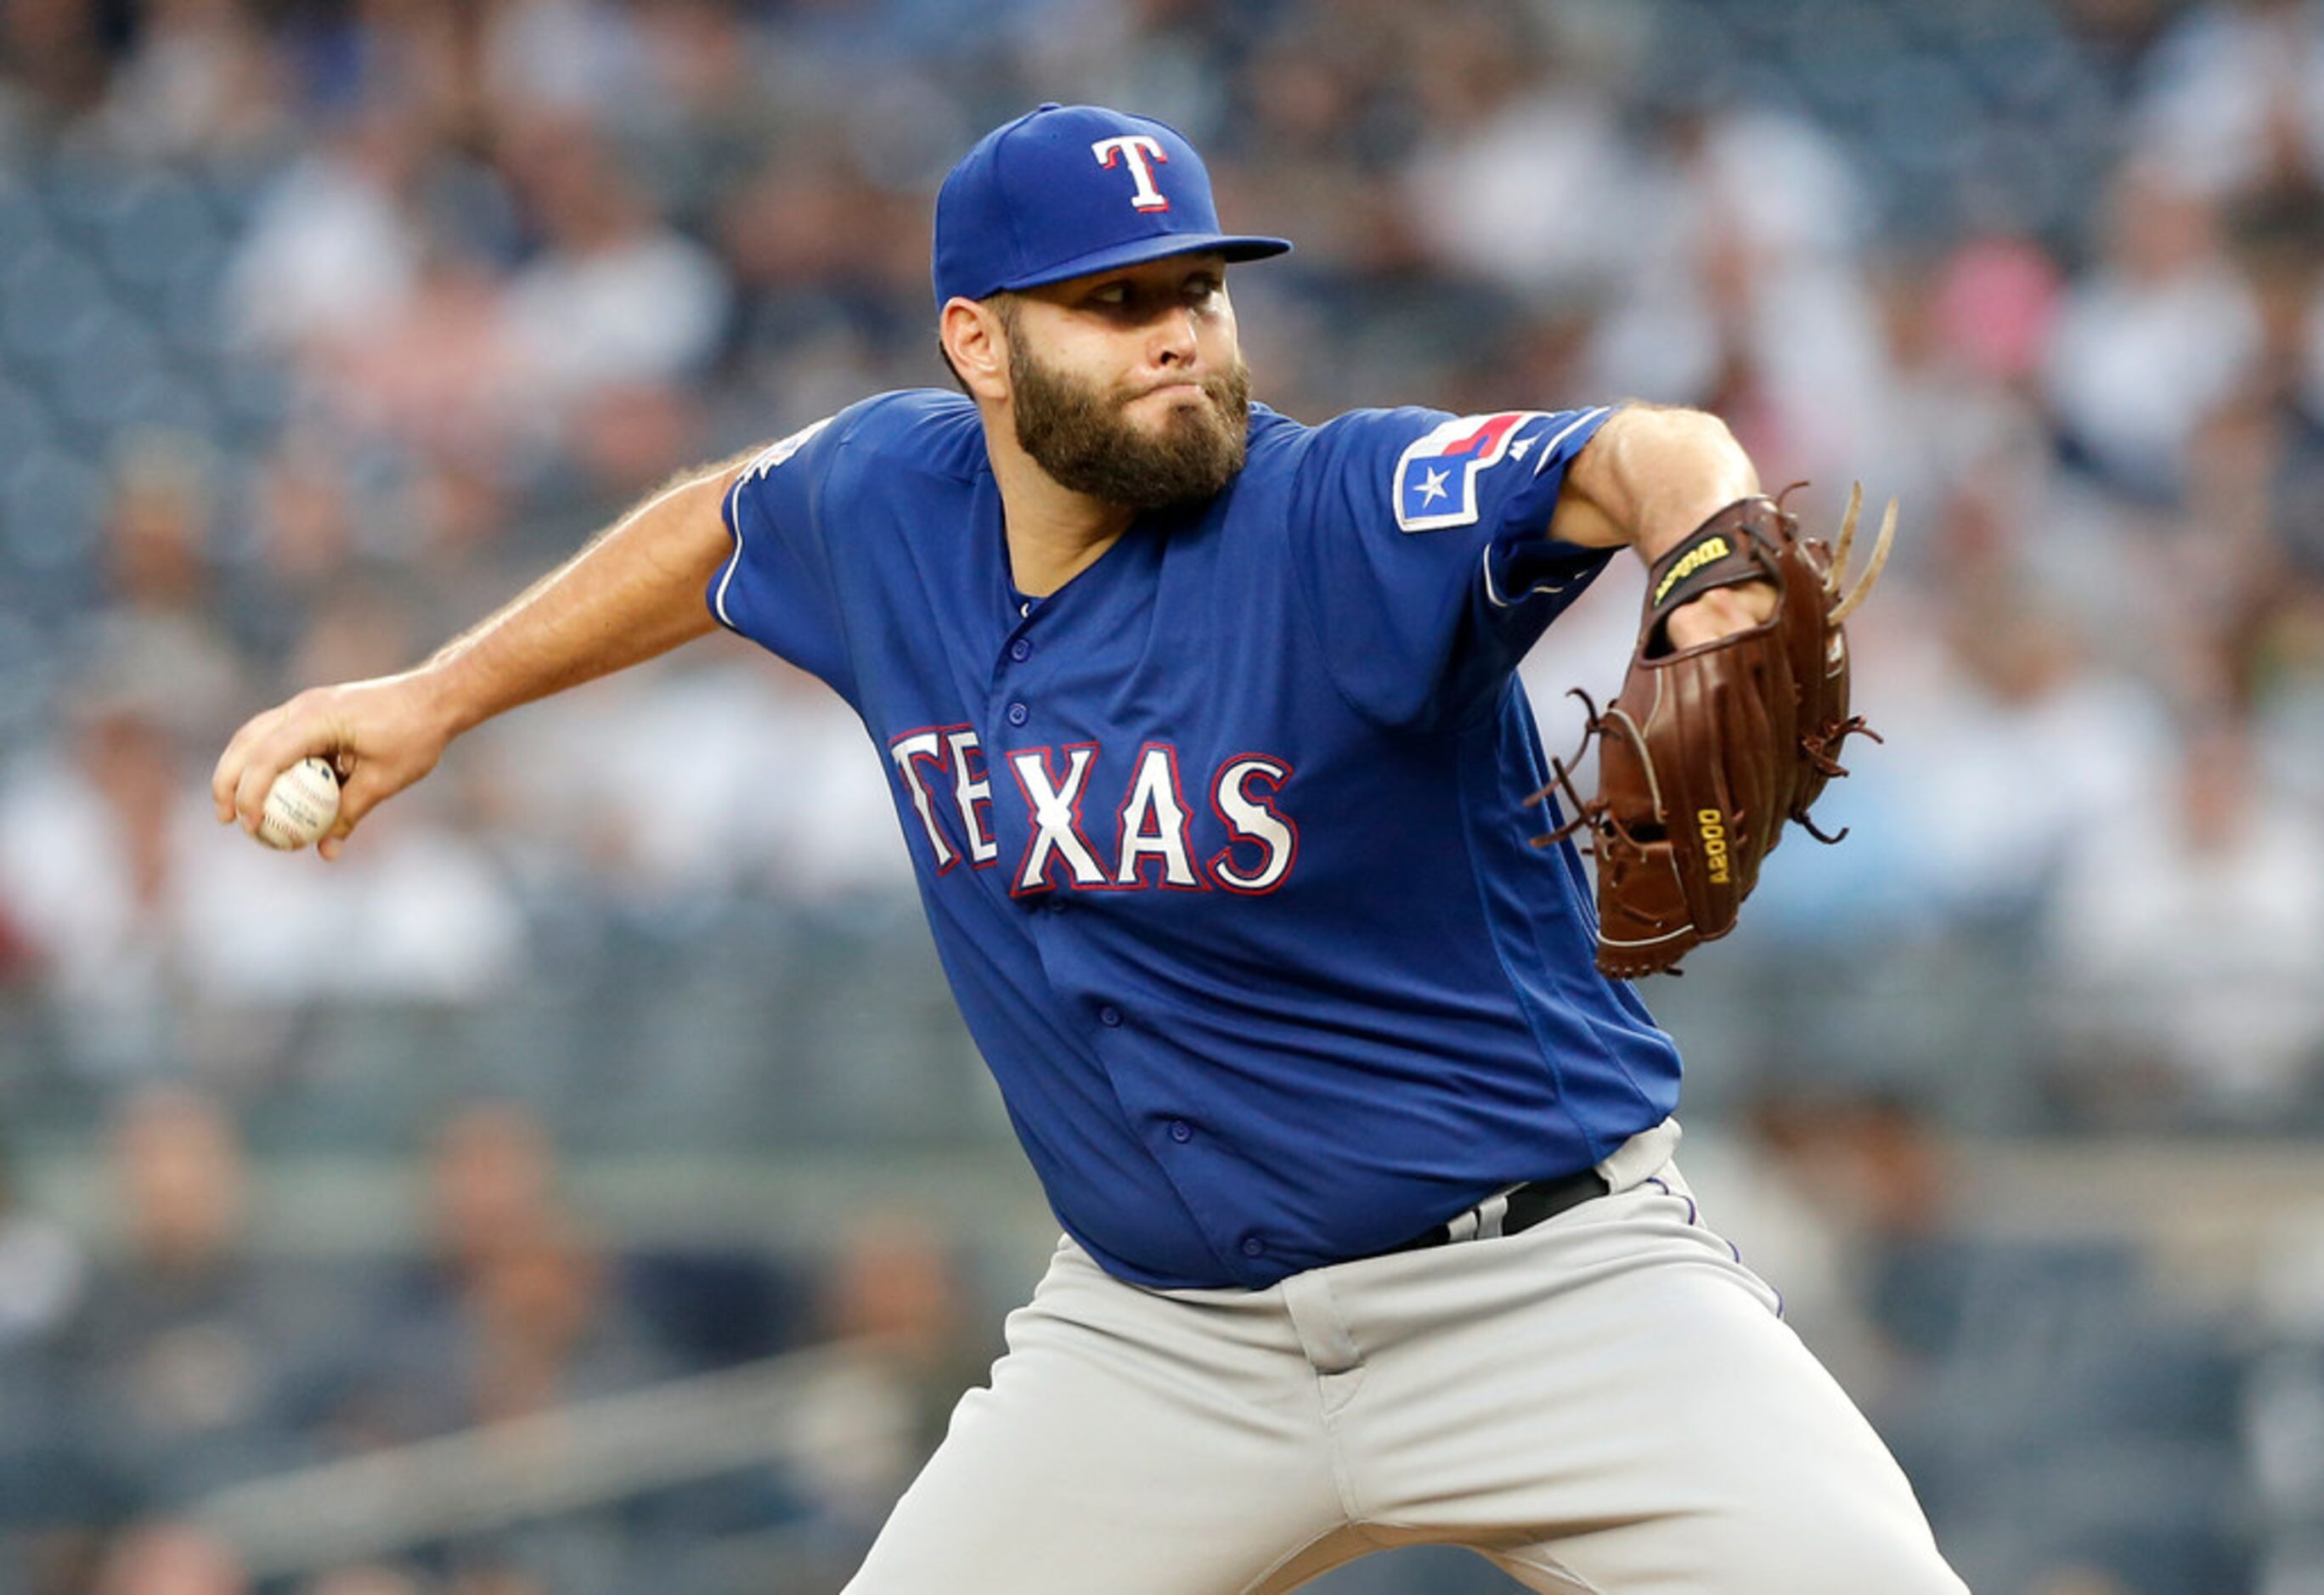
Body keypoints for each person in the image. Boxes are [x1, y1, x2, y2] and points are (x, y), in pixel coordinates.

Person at [214, 104, 1964, 1593]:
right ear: (978, 345)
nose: (1180, 333)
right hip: (1158, 1344)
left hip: (1546, 1296)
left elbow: (1645, 452)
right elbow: (718, 521)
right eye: (1113, 303)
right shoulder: (889, 503)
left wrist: (1713, 553)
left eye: (1197, 289)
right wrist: (441, 695)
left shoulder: (1345, 513)